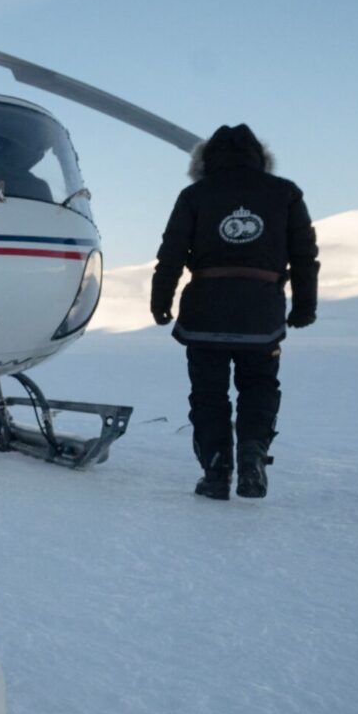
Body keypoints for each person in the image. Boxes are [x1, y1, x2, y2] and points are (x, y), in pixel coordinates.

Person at [150, 123, 319, 500]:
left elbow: (171, 254)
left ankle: (215, 471)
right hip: (261, 313)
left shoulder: (194, 195)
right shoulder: (286, 193)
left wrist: (161, 301)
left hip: (205, 312)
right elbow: (305, 255)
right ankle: (252, 457)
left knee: (208, 393)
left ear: (205, 162)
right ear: (261, 158)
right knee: (259, 385)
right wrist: (304, 306)